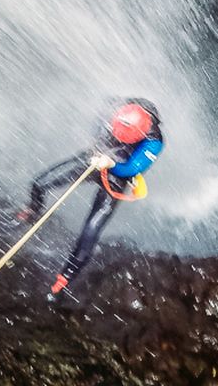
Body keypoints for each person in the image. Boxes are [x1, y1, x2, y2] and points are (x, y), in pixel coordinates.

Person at [20, 98, 164, 299]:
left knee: (90, 231)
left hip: (117, 174)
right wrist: (98, 146)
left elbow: (132, 168)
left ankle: (64, 280)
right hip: (95, 157)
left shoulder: (153, 141)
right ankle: (33, 211)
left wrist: (111, 164)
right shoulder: (114, 109)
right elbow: (99, 121)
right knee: (39, 184)